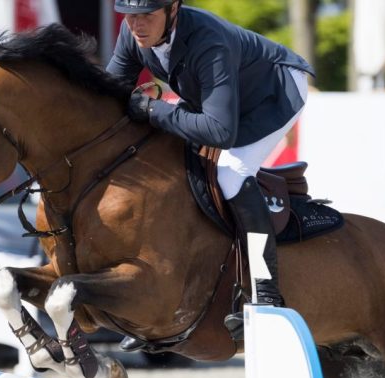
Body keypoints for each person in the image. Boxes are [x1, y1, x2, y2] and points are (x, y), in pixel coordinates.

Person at [106, 0, 314, 347]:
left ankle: (267, 294)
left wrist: (154, 109)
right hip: (220, 95)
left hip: (273, 92)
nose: (137, 25)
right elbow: (109, 92)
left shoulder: (207, 40)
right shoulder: (133, 36)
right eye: (130, 16)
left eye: (146, 15)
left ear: (172, 8)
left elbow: (220, 133)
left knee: (230, 172)